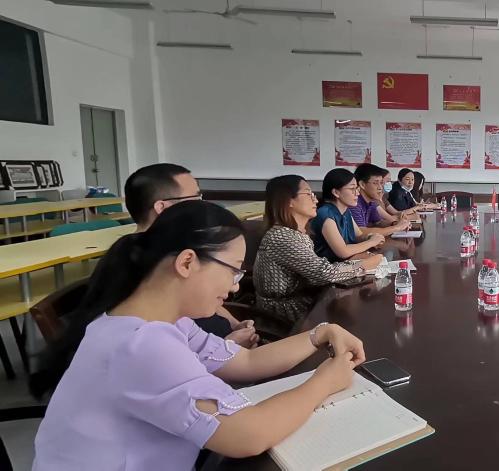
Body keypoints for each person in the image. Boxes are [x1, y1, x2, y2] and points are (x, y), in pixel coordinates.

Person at [31, 200, 366, 470]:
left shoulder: (167, 322)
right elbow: (249, 435)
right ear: (187, 263)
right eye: (233, 270)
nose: (234, 287)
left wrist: (321, 333)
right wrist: (326, 381)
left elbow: (247, 361)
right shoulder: (140, 344)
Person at [123, 164, 256, 347]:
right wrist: (227, 346)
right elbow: (169, 348)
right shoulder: (141, 266)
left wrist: (234, 324)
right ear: (162, 207)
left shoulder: (180, 248)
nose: (202, 204)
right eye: (195, 198)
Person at [254, 175, 382, 322]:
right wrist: (362, 265)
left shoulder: (295, 233)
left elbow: (316, 271)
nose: (315, 200)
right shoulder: (282, 237)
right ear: (288, 200)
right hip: (286, 314)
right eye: (308, 194)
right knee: (359, 317)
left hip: (305, 301)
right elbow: (324, 273)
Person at [311, 168, 386, 262]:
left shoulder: (345, 211)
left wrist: (370, 237)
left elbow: (359, 236)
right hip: (331, 267)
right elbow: (343, 252)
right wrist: (371, 242)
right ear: (336, 192)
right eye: (352, 189)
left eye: (357, 189)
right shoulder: (325, 213)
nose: (357, 193)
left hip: (347, 263)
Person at [349, 164, 413, 235]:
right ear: (362, 184)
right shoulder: (354, 203)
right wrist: (397, 228)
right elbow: (360, 232)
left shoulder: (371, 202)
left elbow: (378, 223)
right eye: (376, 183)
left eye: (381, 183)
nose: (380, 187)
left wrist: (395, 223)